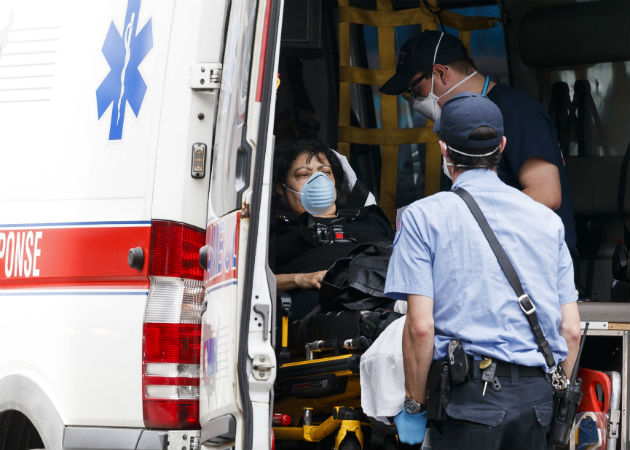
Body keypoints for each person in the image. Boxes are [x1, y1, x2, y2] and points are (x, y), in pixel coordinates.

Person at [383, 93, 581, 449]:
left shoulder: (421, 217)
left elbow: (420, 326)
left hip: (469, 402)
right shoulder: (548, 223)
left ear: (443, 149)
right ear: (502, 145)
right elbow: (570, 330)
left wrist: (415, 405)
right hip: (538, 404)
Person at [380, 30, 578, 258]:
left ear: (440, 73)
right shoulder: (459, 123)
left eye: (416, 91)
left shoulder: (516, 112)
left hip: (534, 265)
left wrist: (464, 221)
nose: (416, 102)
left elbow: (546, 194)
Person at [270, 140, 394, 318]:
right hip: (326, 312)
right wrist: (300, 279)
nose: (318, 180)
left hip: (385, 295)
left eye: (326, 172)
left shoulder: (370, 218)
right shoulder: (279, 233)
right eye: (304, 174)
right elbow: (252, 282)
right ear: (282, 188)